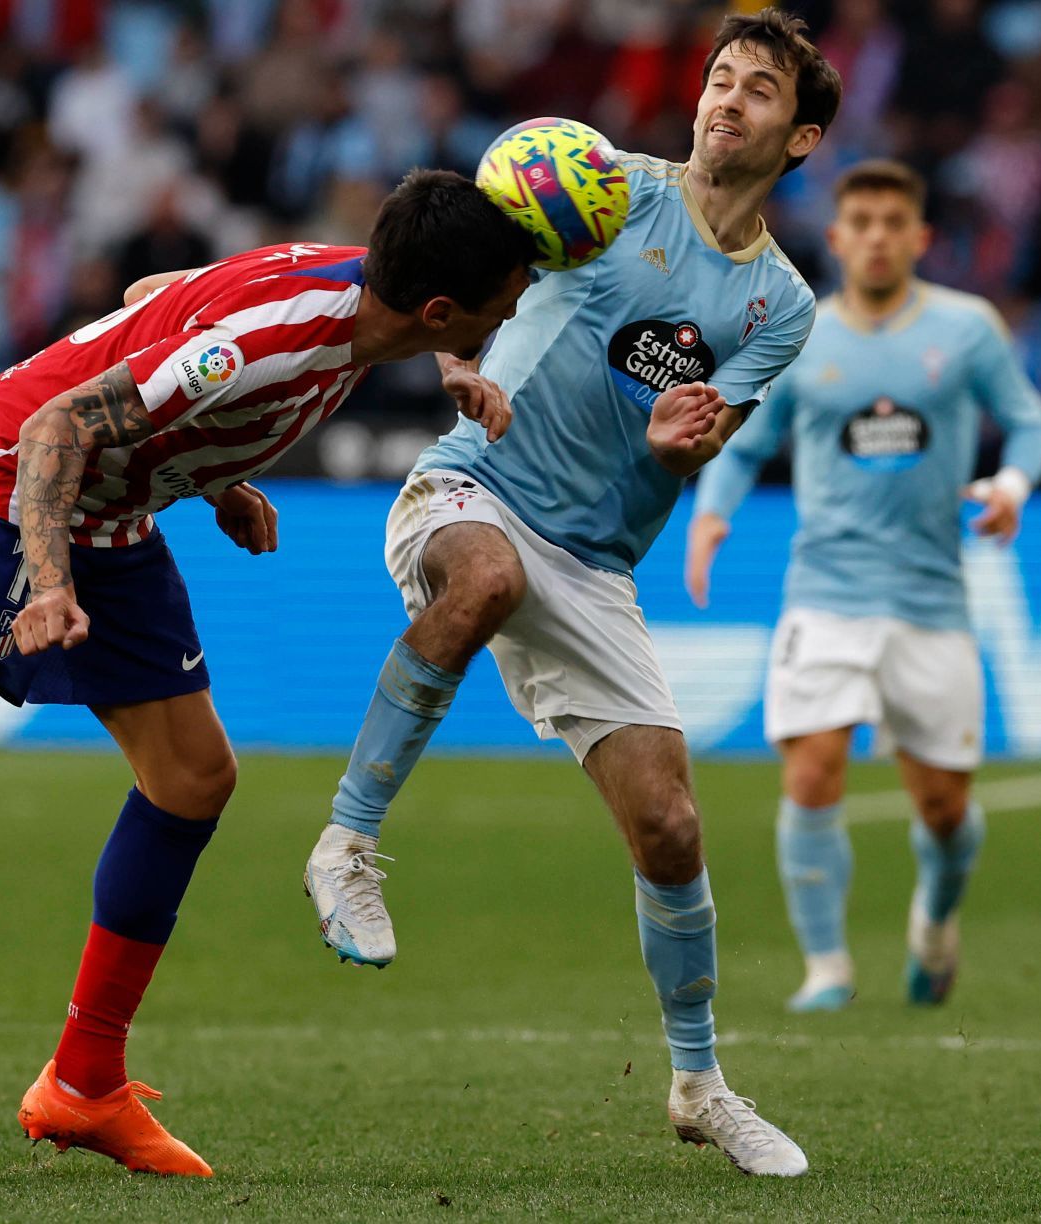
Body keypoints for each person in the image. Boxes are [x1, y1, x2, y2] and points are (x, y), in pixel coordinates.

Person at [0, 169, 536, 1186]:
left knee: (193, 778)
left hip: (114, 509)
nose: (520, 302)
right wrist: (48, 586)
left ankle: (84, 1081)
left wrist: (220, 473)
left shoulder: (363, 295)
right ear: (440, 308)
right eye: (508, 294)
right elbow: (58, 429)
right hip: (14, 475)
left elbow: (153, 300)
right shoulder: (273, 341)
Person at [304, 9, 841, 1178]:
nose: (724, 101)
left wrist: (680, 438)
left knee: (673, 826)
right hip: (474, 486)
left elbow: (700, 440)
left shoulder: (781, 307)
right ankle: (345, 844)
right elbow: (432, 269)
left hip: (595, 563)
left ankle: (700, 1085)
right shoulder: (598, 188)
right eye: (719, 78)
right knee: (484, 577)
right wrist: (449, 359)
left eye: (757, 91)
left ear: (799, 140)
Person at [685, 159, 1041, 1013]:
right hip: (826, 592)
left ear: (921, 237)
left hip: (932, 600)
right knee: (812, 774)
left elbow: (1030, 422)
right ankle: (828, 967)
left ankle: (934, 922)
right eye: (863, 222)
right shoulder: (799, 330)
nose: (879, 237)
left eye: (896, 222)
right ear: (839, 236)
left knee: (942, 808)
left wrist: (1010, 488)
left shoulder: (966, 329)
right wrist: (712, 514)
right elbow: (742, 437)